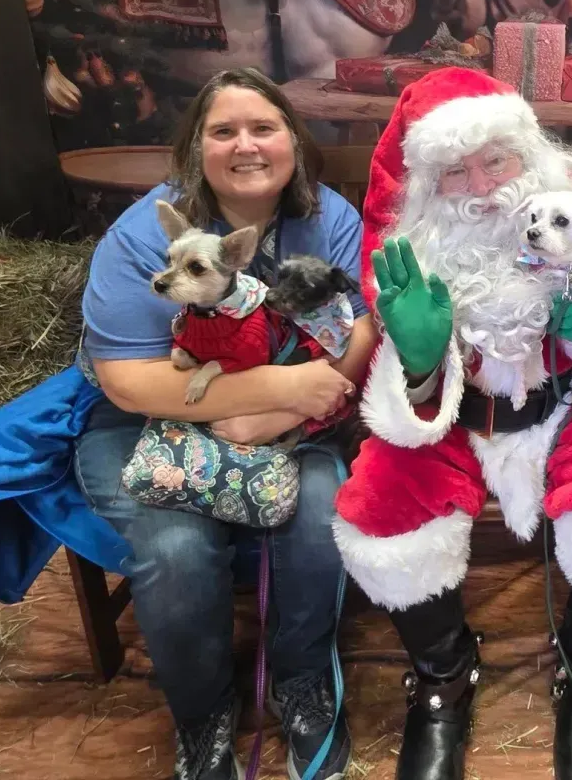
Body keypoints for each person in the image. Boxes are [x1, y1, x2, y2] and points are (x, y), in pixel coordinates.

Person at [332, 67, 572, 780]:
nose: (483, 184)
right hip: (454, 421)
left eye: (495, 159)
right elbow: (391, 368)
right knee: (382, 504)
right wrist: (422, 355)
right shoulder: (408, 243)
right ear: (429, 184)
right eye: (455, 171)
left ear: (526, 151)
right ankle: (442, 676)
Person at [74, 68, 376, 780]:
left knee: (319, 520)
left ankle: (302, 683)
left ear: (293, 145)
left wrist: (281, 413)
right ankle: (203, 713)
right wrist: (276, 389)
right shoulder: (147, 234)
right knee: (176, 550)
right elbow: (128, 378)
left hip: (294, 416)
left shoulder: (328, 219)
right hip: (149, 422)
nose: (246, 145)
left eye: (264, 127)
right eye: (223, 131)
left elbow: (356, 331)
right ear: (196, 149)